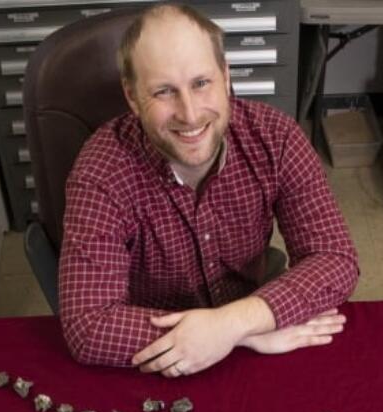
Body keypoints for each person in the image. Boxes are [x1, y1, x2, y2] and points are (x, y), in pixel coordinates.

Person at [57, 3, 359, 377]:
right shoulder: (101, 170)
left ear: (226, 76)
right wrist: (242, 335)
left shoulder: (276, 138)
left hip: (247, 312)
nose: (190, 113)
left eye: (202, 83)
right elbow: (87, 327)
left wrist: (231, 326)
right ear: (133, 97)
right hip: (160, 353)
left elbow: (335, 258)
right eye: (164, 91)